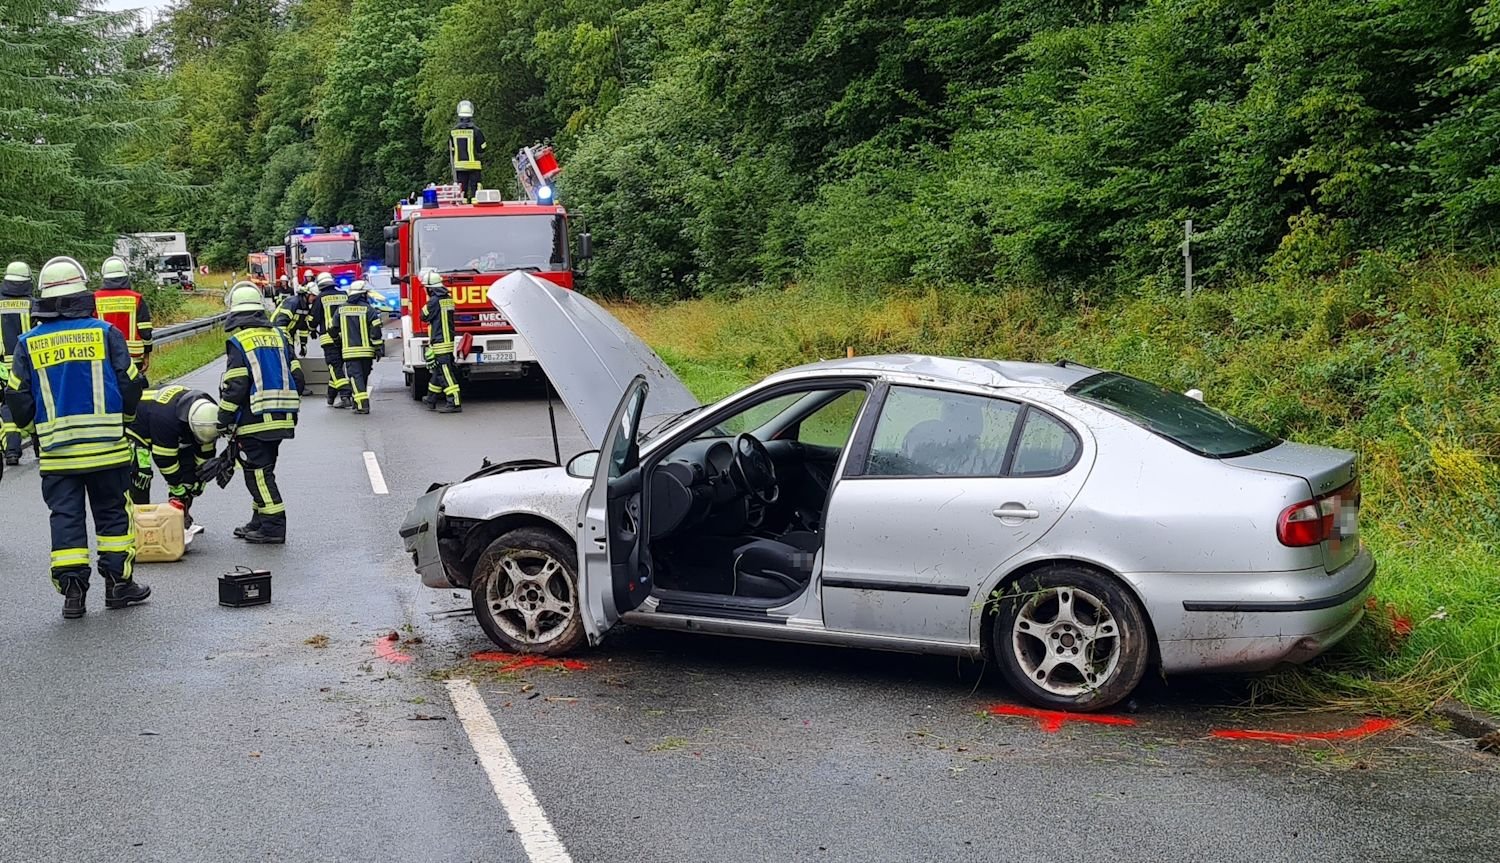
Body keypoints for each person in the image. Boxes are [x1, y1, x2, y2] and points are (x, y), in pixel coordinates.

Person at [5, 256, 148, 618]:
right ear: (83, 293)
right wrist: (125, 420)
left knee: (65, 518)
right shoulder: (105, 333)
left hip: (56, 455)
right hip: (108, 450)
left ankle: (72, 593)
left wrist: (32, 429)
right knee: (114, 516)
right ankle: (118, 585)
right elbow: (131, 383)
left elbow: (18, 399)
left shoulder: (28, 343)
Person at [218, 283, 302, 544]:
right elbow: (298, 376)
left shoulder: (239, 342)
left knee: (258, 474)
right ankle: (258, 521)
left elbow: (236, 386)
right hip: (282, 418)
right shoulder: (280, 336)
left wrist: (222, 418)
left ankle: (274, 527)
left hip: (255, 419)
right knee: (261, 470)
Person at [127, 386, 222, 530]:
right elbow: (165, 460)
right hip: (135, 427)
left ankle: (179, 516)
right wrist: (177, 487)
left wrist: (199, 481)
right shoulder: (165, 418)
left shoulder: (208, 412)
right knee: (141, 475)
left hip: (175, 427)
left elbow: (205, 452)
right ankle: (138, 523)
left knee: (189, 475)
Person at [94, 255, 154, 380]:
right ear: (126, 276)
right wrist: (147, 353)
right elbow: (145, 331)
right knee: (134, 392)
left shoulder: (94, 299)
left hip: (104, 355)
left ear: (104, 277)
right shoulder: (136, 298)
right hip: (133, 356)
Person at [1, 261, 36, 466]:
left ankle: (12, 451)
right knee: (35, 400)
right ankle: (40, 443)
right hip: (27, 365)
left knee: (7, 405)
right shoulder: (32, 304)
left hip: (2, 367)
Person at [337, 280, 383, 415]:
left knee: (355, 378)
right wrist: (378, 348)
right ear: (363, 295)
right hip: (367, 352)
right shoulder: (369, 310)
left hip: (350, 352)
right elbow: (376, 331)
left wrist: (337, 341)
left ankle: (362, 405)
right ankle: (358, 403)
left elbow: (333, 328)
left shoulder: (341, 309)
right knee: (362, 377)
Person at [308, 272, 352, 409]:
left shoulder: (321, 298)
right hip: (345, 337)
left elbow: (312, 320)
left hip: (328, 338)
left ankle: (345, 395)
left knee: (334, 367)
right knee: (337, 367)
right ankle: (331, 396)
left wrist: (311, 328)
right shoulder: (344, 294)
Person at [420, 269, 461, 413]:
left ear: (430, 288)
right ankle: (431, 399)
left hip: (440, 342)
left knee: (445, 373)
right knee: (438, 372)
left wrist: (428, 301)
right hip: (448, 340)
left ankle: (454, 402)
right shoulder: (447, 299)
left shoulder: (433, 302)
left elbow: (423, 316)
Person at [271, 282, 315, 391]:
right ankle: (297, 386)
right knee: (289, 361)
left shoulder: (305, 307)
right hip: (277, 334)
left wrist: (303, 345)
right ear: (306, 294)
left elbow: (303, 328)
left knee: (288, 361)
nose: (314, 299)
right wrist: (285, 340)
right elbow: (280, 322)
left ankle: (292, 385)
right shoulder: (292, 303)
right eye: (313, 296)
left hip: (287, 335)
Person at [449, 100, 486, 201]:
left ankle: (463, 207)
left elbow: (452, 150)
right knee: (476, 192)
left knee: (462, 192)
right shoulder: (476, 131)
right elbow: (482, 148)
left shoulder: (453, 131)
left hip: (459, 167)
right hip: (474, 166)